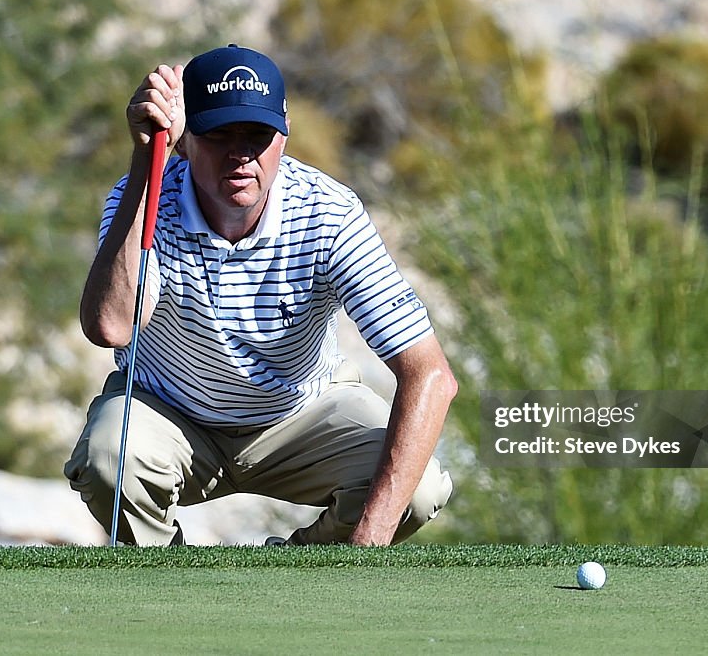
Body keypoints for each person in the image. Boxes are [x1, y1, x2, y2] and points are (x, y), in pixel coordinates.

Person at [64, 44, 457, 546]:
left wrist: (368, 543)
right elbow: (111, 328)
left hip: (303, 414)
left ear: (284, 137)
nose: (240, 154)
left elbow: (431, 376)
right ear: (183, 141)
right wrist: (146, 159)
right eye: (219, 134)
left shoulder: (329, 213)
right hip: (171, 413)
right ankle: (170, 593)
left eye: (258, 135)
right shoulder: (139, 198)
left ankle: (310, 570)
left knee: (415, 491)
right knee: (107, 464)